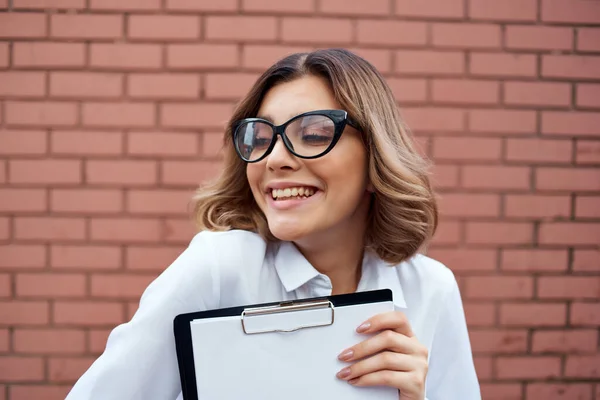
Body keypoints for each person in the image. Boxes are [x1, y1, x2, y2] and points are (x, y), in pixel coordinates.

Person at [65, 48, 480, 399]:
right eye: (260, 138)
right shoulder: (219, 267)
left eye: (314, 133)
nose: (274, 158)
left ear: (376, 156)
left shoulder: (432, 290)